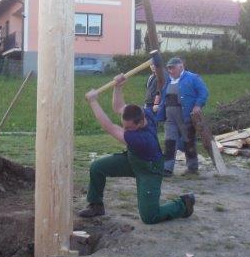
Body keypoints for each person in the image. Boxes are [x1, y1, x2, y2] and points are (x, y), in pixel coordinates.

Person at [79, 74, 194, 223]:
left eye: (128, 128)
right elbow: (119, 107)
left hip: (149, 170)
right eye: (124, 126)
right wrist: (118, 87)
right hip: (132, 160)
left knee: (150, 217)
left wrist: (93, 102)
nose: (125, 129)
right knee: (97, 167)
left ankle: (183, 204)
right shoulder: (143, 113)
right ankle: (96, 205)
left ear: (140, 123)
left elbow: (109, 127)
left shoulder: (141, 139)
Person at [156, 56, 209, 175]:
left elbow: (204, 92)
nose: (170, 70)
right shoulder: (168, 80)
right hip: (170, 117)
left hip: (185, 116)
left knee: (188, 141)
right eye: (169, 68)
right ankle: (167, 168)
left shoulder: (193, 78)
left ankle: (192, 168)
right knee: (169, 142)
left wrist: (198, 105)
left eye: (172, 68)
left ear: (181, 67)